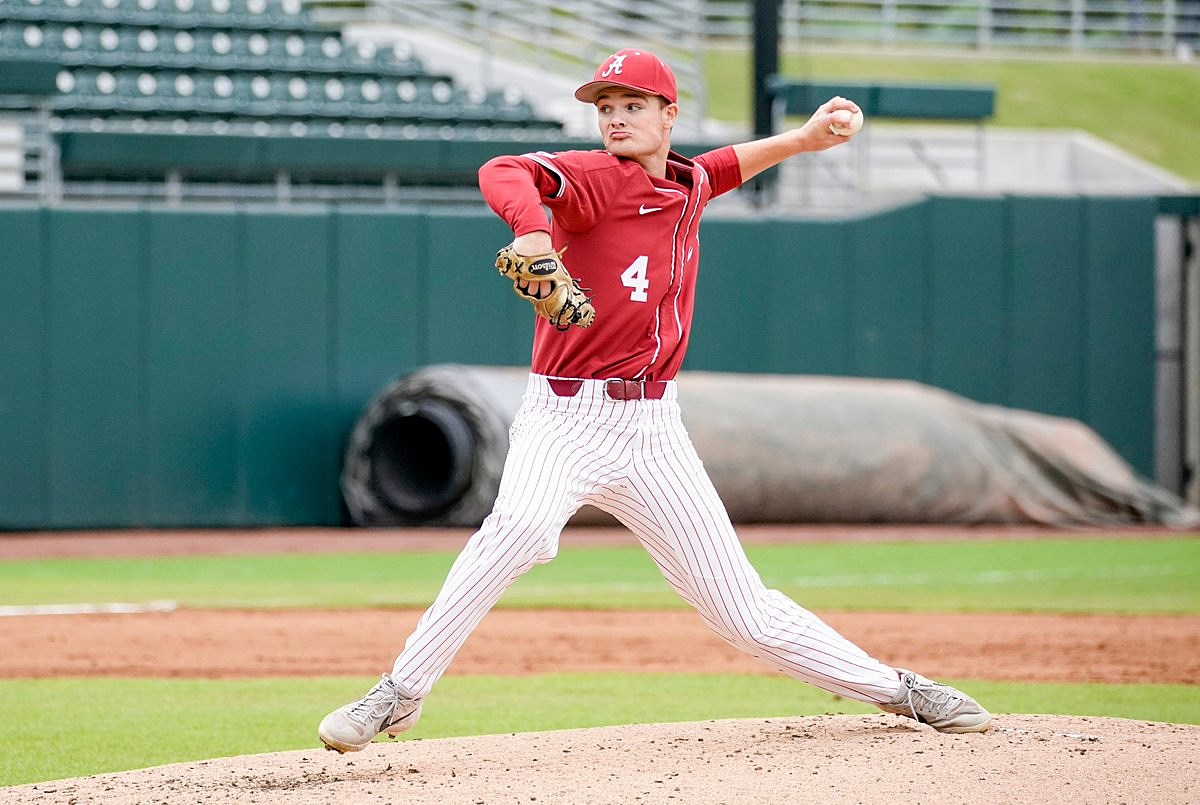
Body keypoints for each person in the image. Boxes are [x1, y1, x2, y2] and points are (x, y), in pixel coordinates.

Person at [318, 48, 992, 753]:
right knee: (519, 528)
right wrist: (533, 229)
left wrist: (802, 139)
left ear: (670, 115)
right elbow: (503, 170)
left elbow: (718, 168)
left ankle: (899, 690)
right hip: (565, 418)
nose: (614, 118)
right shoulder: (594, 179)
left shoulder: (686, 184)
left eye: (632, 105)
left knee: (743, 612)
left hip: (652, 430)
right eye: (605, 107)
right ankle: (399, 693)